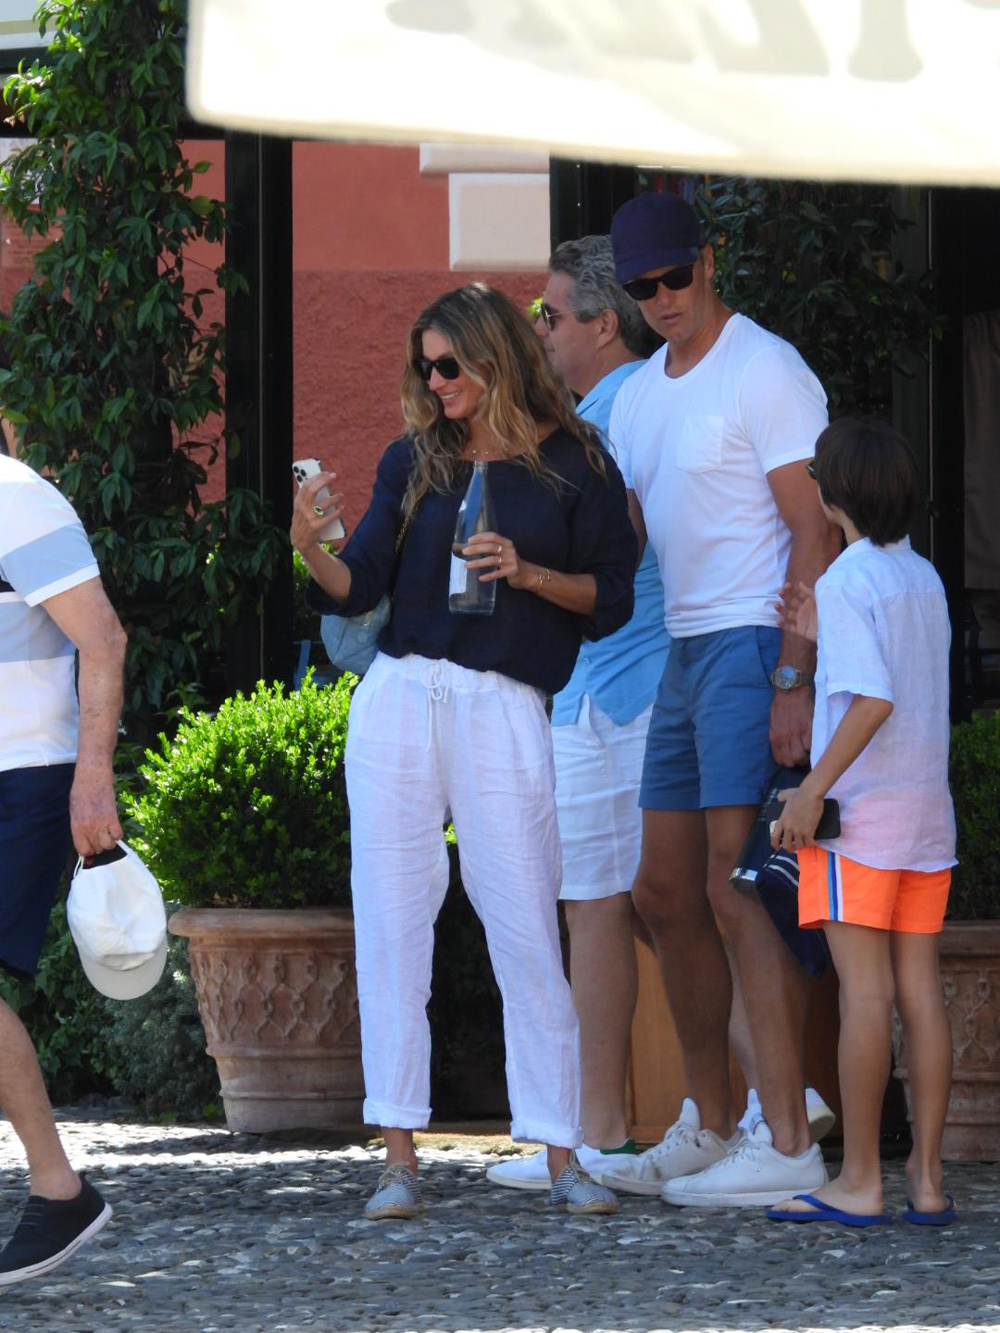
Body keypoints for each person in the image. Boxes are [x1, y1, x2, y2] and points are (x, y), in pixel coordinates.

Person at [291, 282, 637, 1221]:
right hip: (401, 696)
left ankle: (563, 1154)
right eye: (425, 364)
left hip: (503, 702)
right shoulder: (414, 458)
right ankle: (398, 1156)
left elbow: (613, 596)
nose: (433, 380)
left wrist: (525, 573)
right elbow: (357, 580)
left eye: (449, 363)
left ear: (495, 358)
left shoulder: (573, 464)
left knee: (525, 921)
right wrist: (308, 547)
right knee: (391, 919)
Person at [602, 191, 841, 1208]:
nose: (661, 297)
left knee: (739, 890)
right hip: (685, 649)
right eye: (642, 285)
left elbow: (814, 532)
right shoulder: (638, 394)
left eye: (674, 276)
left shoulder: (767, 368)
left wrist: (794, 673)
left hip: (752, 641)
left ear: (708, 260)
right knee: (660, 892)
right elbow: (629, 536)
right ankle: (710, 1121)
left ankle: (786, 1137)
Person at [486, 236, 668, 1192]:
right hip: (591, 691)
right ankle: (599, 1135)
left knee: (679, 906)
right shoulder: (587, 412)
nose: (540, 331)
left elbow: (628, 538)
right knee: (595, 907)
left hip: (636, 686)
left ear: (604, 322)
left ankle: (770, 1106)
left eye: (551, 315)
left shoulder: (634, 400)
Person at [768, 419, 957, 1227]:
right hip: (925, 818)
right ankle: (927, 1178)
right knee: (921, 991)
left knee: (866, 994)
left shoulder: (847, 581)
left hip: (863, 821)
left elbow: (870, 699)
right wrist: (818, 636)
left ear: (833, 492)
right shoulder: (924, 578)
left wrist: (810, 790)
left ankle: (860, 1179)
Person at [0, 425, 126, 1285]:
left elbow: (104, 637)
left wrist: (93, 776)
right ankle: (57, 1188)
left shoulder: (14, 494)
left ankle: (59, 1187)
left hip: (27, 775)